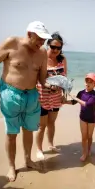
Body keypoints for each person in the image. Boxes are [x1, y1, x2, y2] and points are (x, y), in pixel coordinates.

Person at [0, 21, 52, 181]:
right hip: (11, 94)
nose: (42, 43)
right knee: (11, 133)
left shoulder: (42, 52)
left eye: (44, 39)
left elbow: (42, 79)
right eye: (40, 38)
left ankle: (28, 160)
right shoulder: (11, 43)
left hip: (32, 96)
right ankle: (11, 167)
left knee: (29, 130)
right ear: (29, 34)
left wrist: (52, 86)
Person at [35, 32, 68, 160]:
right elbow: (36, 77)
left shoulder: (62, 59)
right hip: (41, 96)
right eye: (53, 47)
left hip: (56, 97)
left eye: (58, 48)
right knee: (41, 125)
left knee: (52, 123)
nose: (55, 50)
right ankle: (39, 149)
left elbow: (64, 78)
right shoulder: (41, 57)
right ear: (48, 44)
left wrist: (64, 95)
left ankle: (50, 144)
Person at [64, 73, 95, 161]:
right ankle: (84, 153)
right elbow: (73, 102)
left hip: (91, 118)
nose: (88, 83)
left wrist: (77, 99)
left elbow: (88, 104)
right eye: (87, 81)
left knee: (89, 136)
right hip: (83, 117)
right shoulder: (81, 93)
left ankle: (89, 149)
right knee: (84, 137)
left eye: (91, 82)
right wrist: (64, 102)